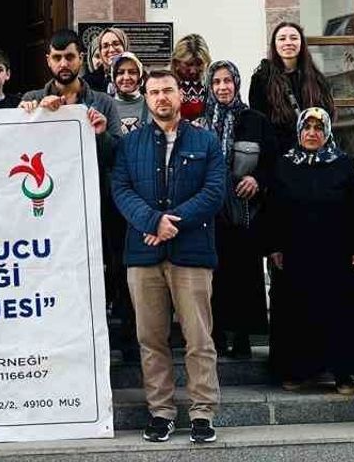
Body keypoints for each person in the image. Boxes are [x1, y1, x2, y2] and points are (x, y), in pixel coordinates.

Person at [111, 68, 227, 444]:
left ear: (180, 95)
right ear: (146, 98)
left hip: (191, 253)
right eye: (154, 92)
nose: (161, 97)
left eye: (168, 90)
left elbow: (214, 192)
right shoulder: (131, 143)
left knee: (199, 338)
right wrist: (152, 221)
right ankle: (161, 412)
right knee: (151, 339)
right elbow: (121, 189)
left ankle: (202, 412)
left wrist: (170, 222)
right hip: (143, 255)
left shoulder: (206, 141)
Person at [20, 30, 127, 356]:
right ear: (48, 61)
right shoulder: (32, 98)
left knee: (107, 270)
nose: (63, 64)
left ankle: (115, 343)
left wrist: (101, 133)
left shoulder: (103, 102)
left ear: (81, 58)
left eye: (69, 56)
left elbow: (117, 155)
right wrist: (31, 115)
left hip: (98, 203)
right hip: (52, 210)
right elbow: (18, 149)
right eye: (57, 57)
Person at [265, 107, 354, 394]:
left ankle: (342, 374)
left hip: (336, 254)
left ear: (326, 132)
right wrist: (273, 246)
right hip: (295, 255)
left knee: (338, 312)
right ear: (299, 131)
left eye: (318, 128)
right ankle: (297, 371)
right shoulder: (284, 164)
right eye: (307, 127)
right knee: (296, 312)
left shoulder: (343, 164)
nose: (312, 133)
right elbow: (271, 208)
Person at [203, 60, 275, 359]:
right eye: (216, 82)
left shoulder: (255, 120)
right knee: (214, 275)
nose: (222, 87)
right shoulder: (200, 122)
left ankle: (243, 337)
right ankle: (217, 335)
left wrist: (257, 179)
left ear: (236, 83)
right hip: (210, 211)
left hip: (245, 211)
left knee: (244, 275)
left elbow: (272, 162)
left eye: (227, 81)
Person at [249, 22, 334, 152]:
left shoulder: (316, 78)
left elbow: (327, 114)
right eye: (282, 39)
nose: (288, 43)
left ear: (301, 43)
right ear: (274, 44)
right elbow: (259, 121)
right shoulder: (262, 79)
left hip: (313, 151)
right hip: (278, 154)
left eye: (294, 38)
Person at [171, 33, 212, 122]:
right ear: (176, 63)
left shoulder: (213, 87)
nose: (193, 70)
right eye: (188, 64)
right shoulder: (165, 87)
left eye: (199, 64)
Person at [110, 52, 149, 134]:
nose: (126, 77)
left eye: (132, 72)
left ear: (140, 76)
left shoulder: (152, 105)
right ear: (113, 77)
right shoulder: (104, 107)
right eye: (120, 72)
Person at [83, 27, 128, 94]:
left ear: (124, 46)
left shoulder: (139, 78)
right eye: (105, 46)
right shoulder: (85, 84)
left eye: (116, 44)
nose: (111, 50)